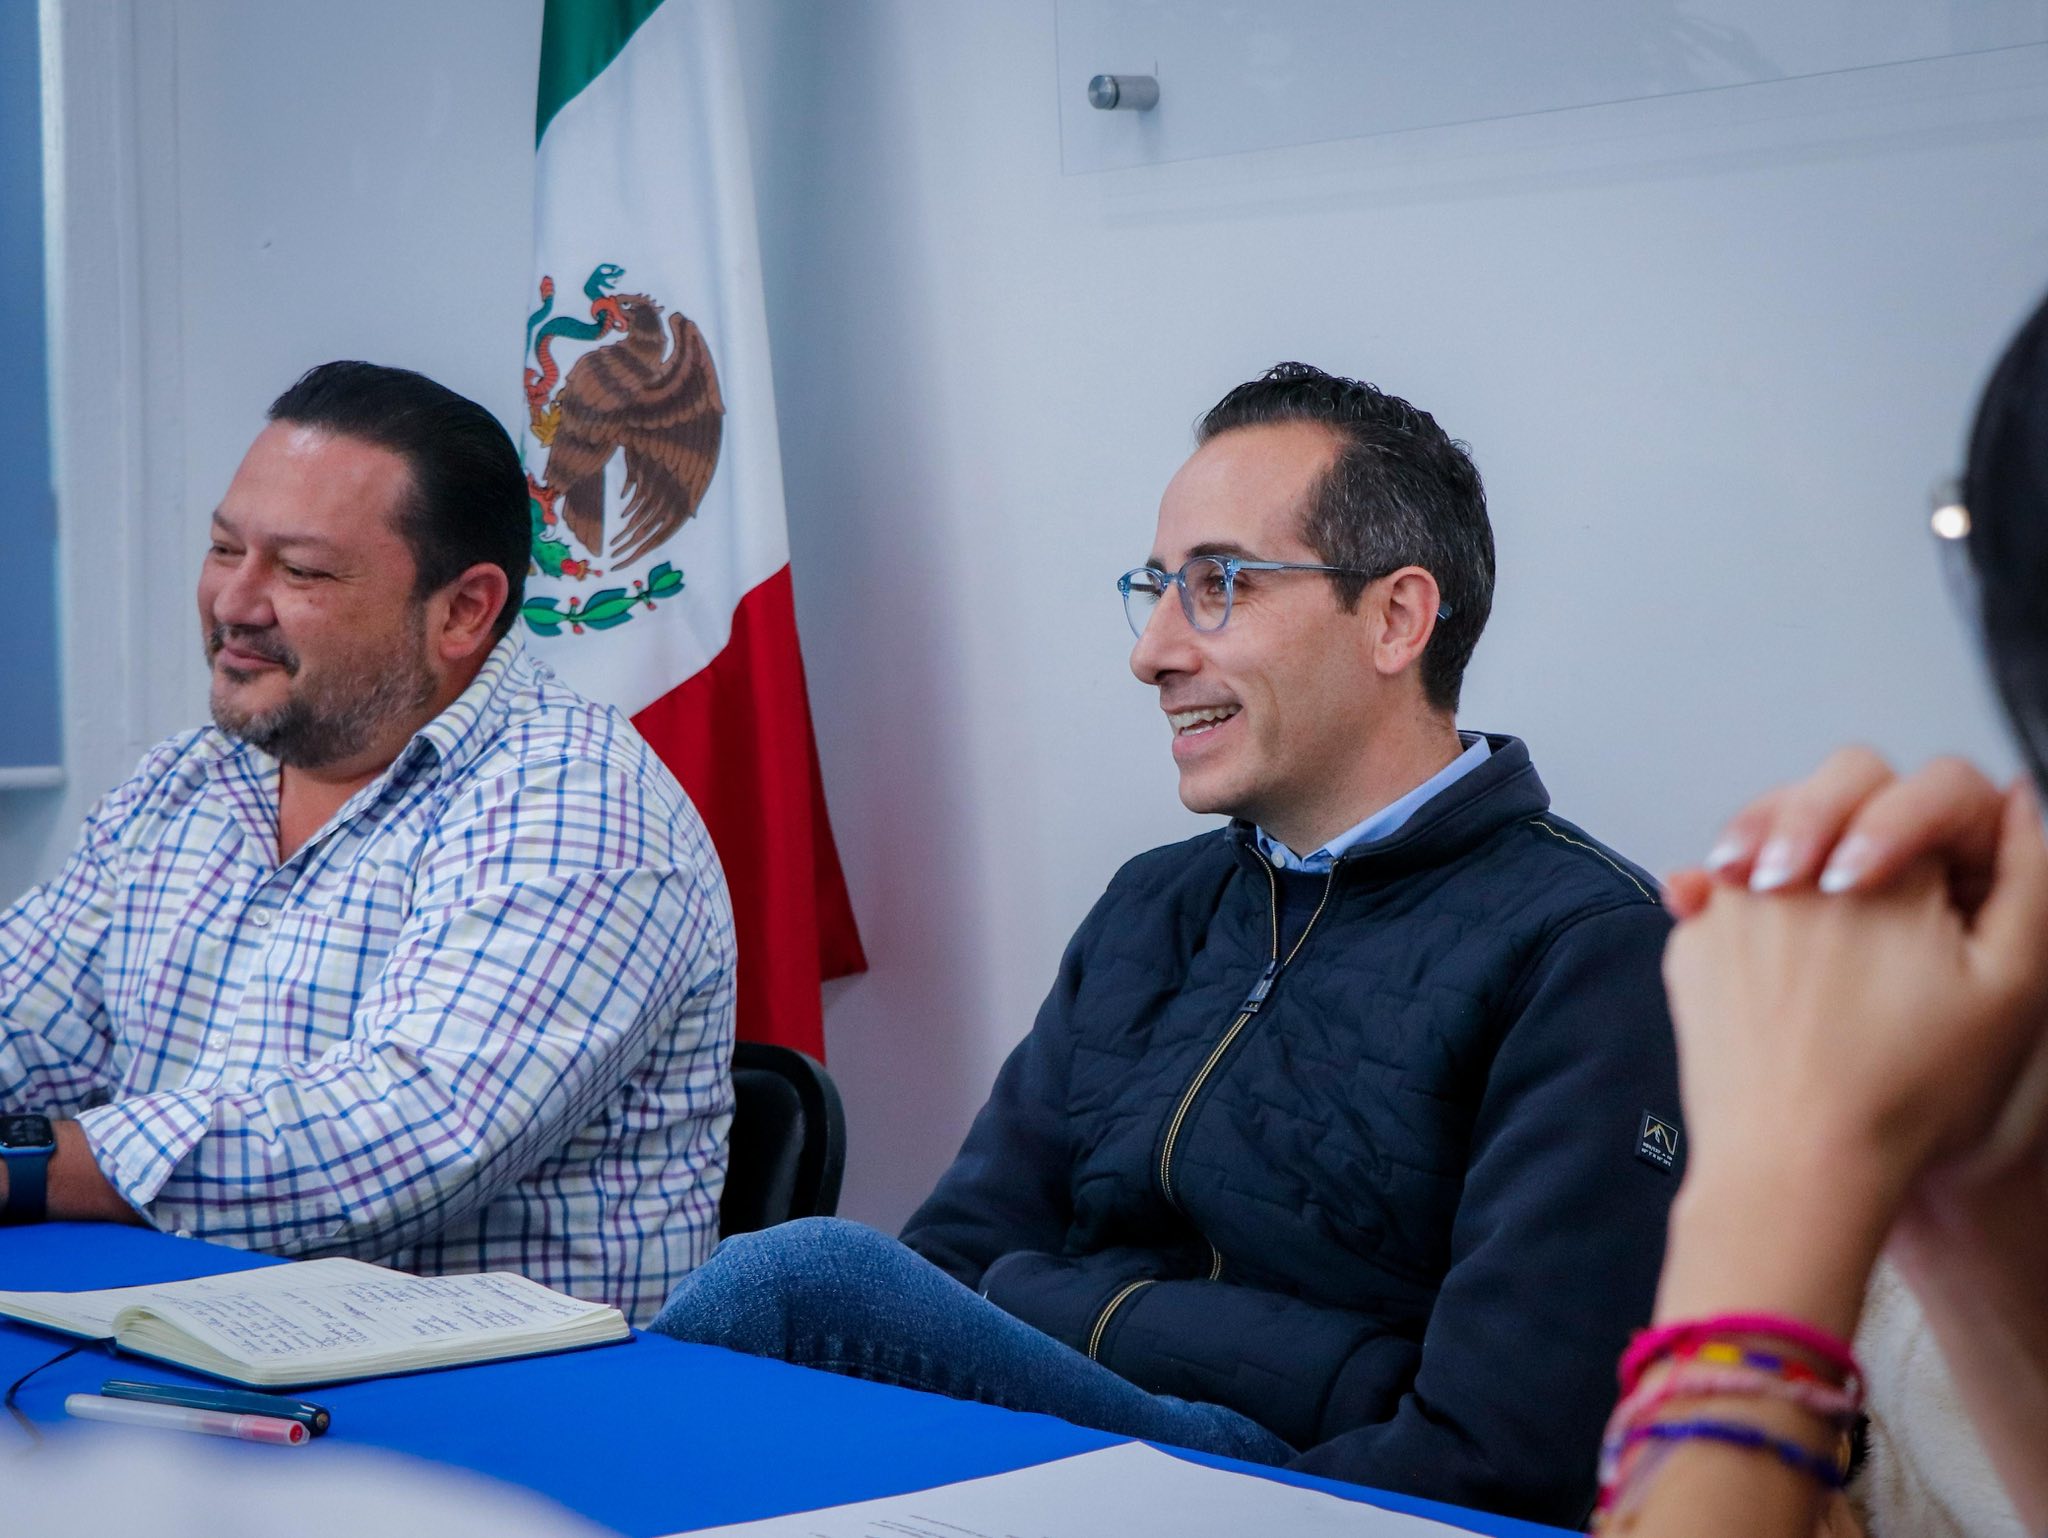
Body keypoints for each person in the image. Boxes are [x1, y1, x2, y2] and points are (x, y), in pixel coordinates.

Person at [653, 363, 1682, 1525]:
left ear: (1396, 617)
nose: (1150, 652)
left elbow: (1503, 1454)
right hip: (1037, 1450)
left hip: (1272, 1483)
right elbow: (951, 1260)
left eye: (1217, 584)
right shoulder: (1154, 903)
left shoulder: (1585, 946)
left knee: (800, 1281)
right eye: (1155, 586)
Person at [0, 362, 735, 1325]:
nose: (235, 602)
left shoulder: (578, 801)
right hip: (193, 1352)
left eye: (299, 571)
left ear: (464, 610)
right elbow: (28, 1019)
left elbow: (398, 1140)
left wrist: (32, 1168)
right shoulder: (188, 781)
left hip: (495, 1423)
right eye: (225, 550)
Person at [1596, 288, 2048, 1536]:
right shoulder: (1161, 896)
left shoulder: (1571, 918)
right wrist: (1961, 1197)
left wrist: (1778, 1181)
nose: (1155, 650)